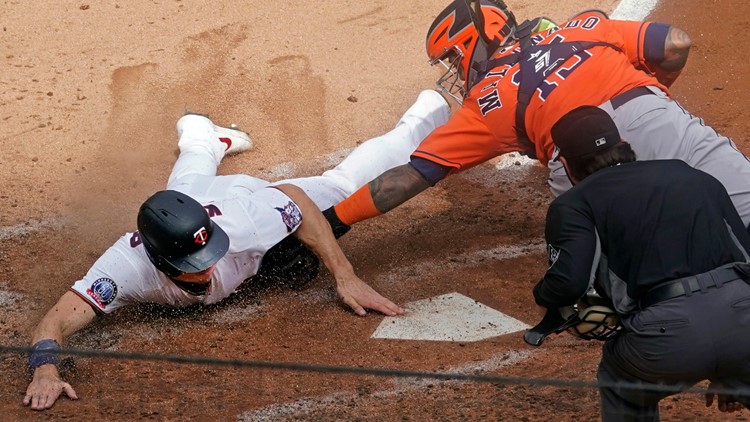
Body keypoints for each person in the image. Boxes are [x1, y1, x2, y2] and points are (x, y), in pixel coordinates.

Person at [22, 89, 451, 410]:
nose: (206, 270)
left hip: (245, 198)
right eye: (192, 265)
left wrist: (345, 273)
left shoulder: (248, 224)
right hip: (201, 203)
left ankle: (428, 110)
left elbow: (296, 200)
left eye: (207, 257)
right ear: (158, 259)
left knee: (340, 185)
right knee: (180, 190)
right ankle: (201, 136)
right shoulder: (124, 267)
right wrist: (45, 370)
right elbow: (57, 318)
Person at [324, 0, 750, 235]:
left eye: (453, 56)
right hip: (653, 115)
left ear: (477, 38)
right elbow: (676, 43)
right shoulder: (582, 26)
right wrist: (654, 93)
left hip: (583, 168)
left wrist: (335, 220)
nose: (455, 69)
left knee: (644, 256)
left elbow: (408, 177)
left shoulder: (487, 103)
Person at [531, 105, 750, 420]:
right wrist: (733, 369)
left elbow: (568, 283)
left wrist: (543, 300)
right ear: (622, 144)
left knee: (618, 377)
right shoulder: (691, 174)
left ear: (566, 165)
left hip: (667, 339)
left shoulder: (574, 204)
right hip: (744, 320)